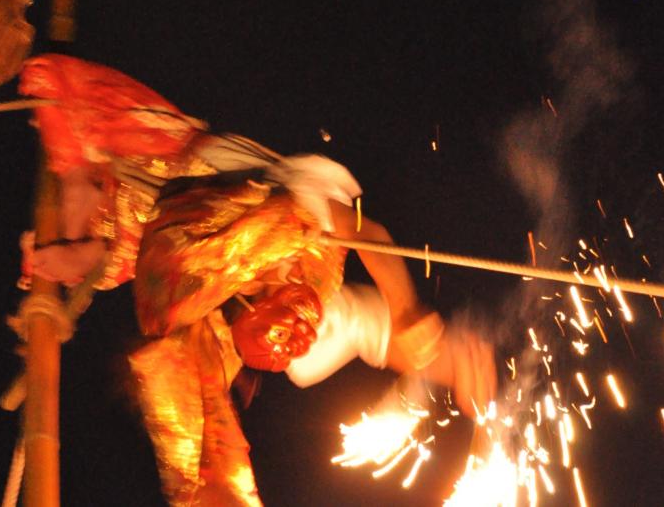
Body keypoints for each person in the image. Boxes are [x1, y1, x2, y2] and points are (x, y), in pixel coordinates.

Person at [17, 54, 496, 506]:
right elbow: (368, 252)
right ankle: (84, 201)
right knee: (65, 124)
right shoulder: (296, 244)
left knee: (193, 412)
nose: (300, 335)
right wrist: (424, 331)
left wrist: (437, 355)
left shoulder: (201, 280)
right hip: (161, 174)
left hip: (161, 216)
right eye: (295, 333)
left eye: (289, 331)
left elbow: (377, 326)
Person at [128, 156, 496, 505]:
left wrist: (405, 309)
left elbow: (364, 231)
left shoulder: (280, 219)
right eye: (296, 332)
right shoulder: (308, 340)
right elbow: (383, 334)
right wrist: (446, 360)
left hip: (221, 211)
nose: (304, 326)